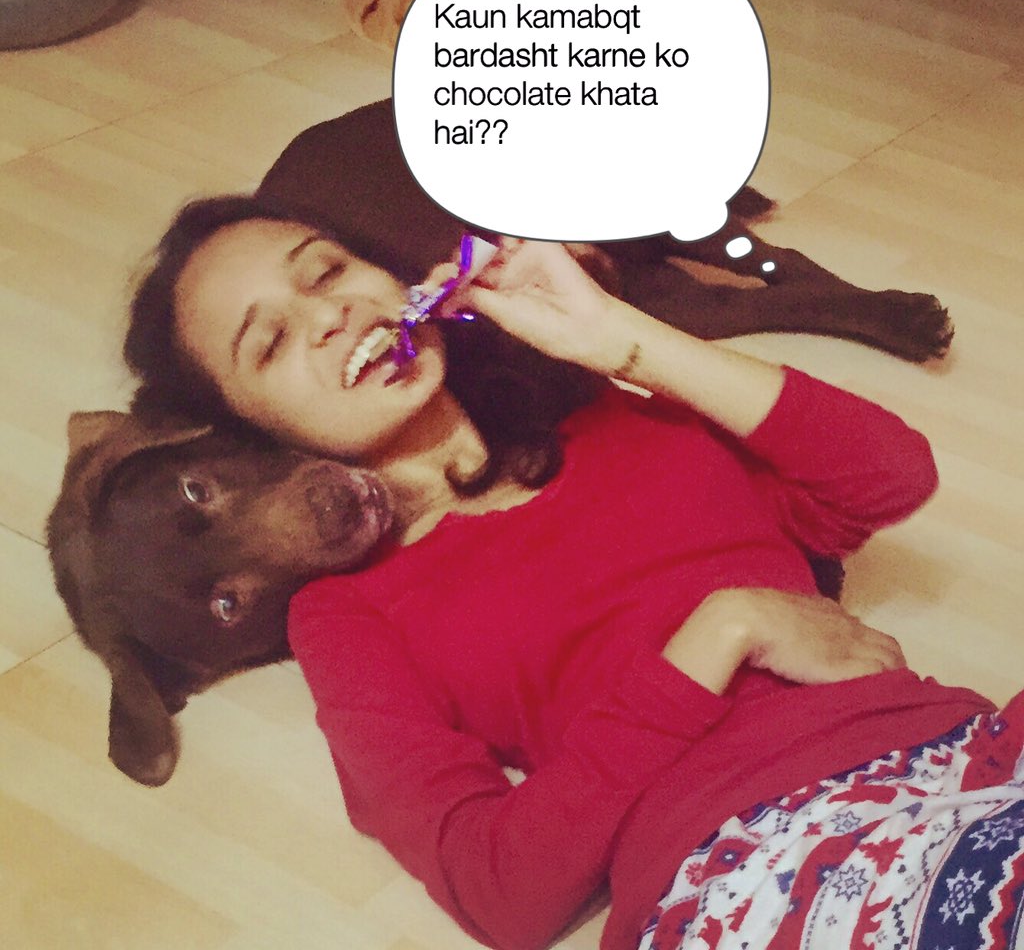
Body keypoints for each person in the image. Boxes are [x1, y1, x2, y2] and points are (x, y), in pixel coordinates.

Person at [124, 194, 1024, 950]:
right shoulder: (347, 612)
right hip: (755, 867)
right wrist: (722, 635)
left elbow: (888, 474)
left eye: (327, 272)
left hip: (960, 763)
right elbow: (498, 891)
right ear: (253, 429)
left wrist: (614, 335)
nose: (329, 316)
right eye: (270, 343)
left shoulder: (616, 415)